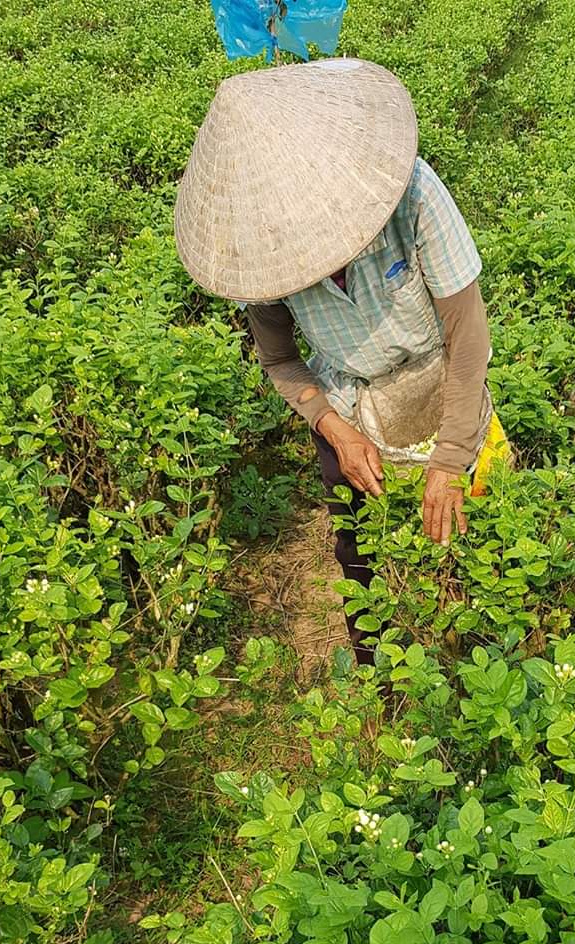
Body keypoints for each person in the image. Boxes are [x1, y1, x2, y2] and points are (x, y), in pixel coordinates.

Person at [173, 57, 504, 663]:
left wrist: (451, 457)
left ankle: (478, 666)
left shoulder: (412, 194)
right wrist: (335, 429)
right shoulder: (257, 251)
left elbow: (468, 339)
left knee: (477, 533)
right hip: (347, 400)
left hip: (442, 383)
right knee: (363, 556)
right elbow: (281, 361)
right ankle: (384, 684)